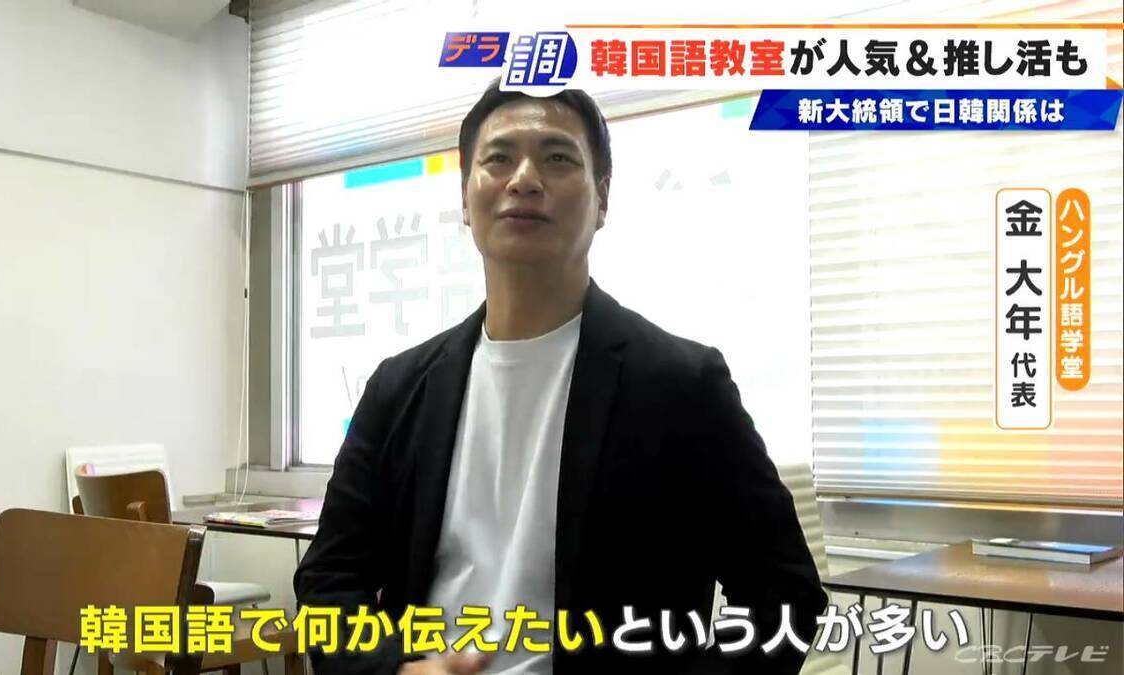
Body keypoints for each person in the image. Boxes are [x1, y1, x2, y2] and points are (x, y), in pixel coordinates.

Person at [294, 79, 827, 675]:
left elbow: (784, 595)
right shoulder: (399, 389)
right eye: (498, 158)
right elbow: (329, 580)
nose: (524, 179)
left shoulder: (680, 384)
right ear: (465, 199)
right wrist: (393, 669)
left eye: (557, 158)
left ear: (602, 200)